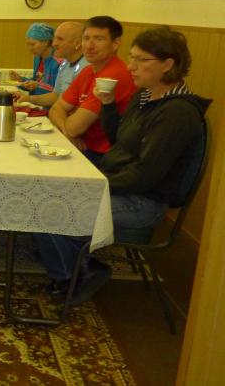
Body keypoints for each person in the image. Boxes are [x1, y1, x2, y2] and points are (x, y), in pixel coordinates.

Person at [35, 28, 211, 304]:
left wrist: (93, 184)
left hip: (142, 202)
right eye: (132, 58)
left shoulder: (177, 112)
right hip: (123, 186)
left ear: (167, 64)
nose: (131, 66)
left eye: (141, 60)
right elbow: (118, 139)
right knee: (47, 193)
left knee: (52, 208)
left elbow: (145, 175)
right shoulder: (145, 97)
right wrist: (108, 105)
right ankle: (71, 262)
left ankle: (75, 274)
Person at [49, 16, 136, 164]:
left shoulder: (113, 76)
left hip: (104, 155)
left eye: (99, 39)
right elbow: (56, 109)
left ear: (116, 43)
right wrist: (67, 131)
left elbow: (75, 127)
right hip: (82, 146)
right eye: (86, 38)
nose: (89, 46)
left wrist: (70, 130)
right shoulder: (88, 70)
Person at [16, 21, 87, 108]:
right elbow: (56, 95)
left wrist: (34, 91)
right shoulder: (65, 64)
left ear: (77, 43)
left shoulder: (85, 67)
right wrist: (27, 97)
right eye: (55, 39)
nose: (54, 43)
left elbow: (76, 106)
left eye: (60, 39)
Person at [10, 23, 60, 95]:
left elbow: (58, 92)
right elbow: (35, 81)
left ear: (46, 42)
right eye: (28, 44)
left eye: (32, 44)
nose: (29, 48)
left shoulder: (57, 62)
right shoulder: (37, 58)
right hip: (35, 100)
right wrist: (20, 79)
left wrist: (38, 86)